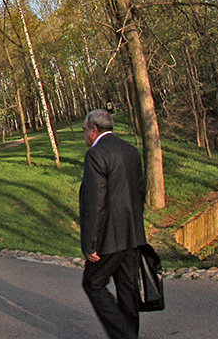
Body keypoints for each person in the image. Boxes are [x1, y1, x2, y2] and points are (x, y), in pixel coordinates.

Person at [79, 108, 147, 339]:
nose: (84, 135)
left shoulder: (96, 155)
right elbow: (140, 191)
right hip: (133, 233)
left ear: (94, 129)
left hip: (108, 238)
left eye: (84, 130)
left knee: (93, 284)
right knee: (128, 289)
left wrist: (91, 243)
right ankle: (131, 333)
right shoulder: (130, 151)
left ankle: (124, 335)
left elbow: (95, 202)